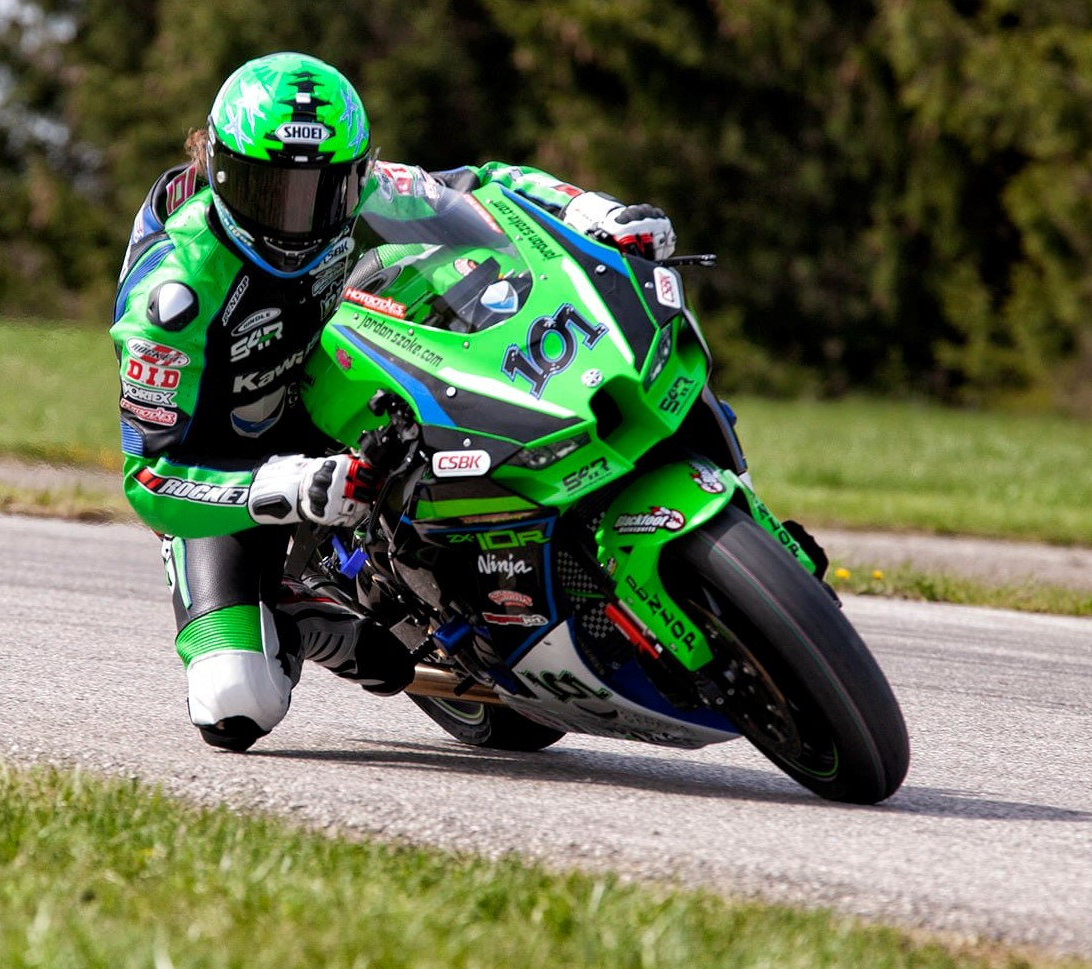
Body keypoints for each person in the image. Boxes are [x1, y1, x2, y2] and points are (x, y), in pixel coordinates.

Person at [110, 52, 678, 752]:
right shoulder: (171, 297)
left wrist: (597, 213)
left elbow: (488, 191)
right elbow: (149, 480)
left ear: (354, 174)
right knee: (236, 703)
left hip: (334, 375)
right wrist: (283, 485)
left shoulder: (368, 188)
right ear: (223, 173)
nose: (300, 220)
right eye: (273, 194)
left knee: (463, 266)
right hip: (236, 459)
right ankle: (296, 608)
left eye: (324, 194)